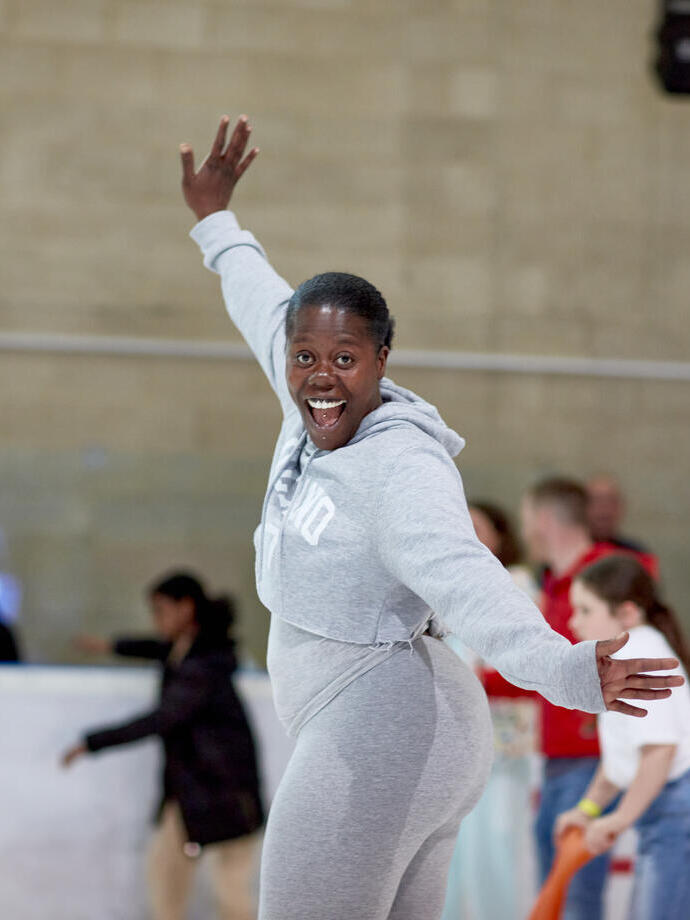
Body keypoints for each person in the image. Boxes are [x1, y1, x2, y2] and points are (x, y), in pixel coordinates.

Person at [179, 114, 681, 920]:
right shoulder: (302, 397)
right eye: (305, 356)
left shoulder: (401, 468)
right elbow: (260, 301)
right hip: (399, 727)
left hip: (384, 727)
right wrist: (216, 222)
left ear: (382, 360)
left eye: (345, 359)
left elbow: (465, 577)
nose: (320, 378)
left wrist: (565, 669)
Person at [62, 571, 264, 920]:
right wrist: (109, 645)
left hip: (226, 792)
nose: (155, 619)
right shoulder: (183, 650)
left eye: (160, 610)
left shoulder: (203, 665)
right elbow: (153, 648)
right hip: (189, 793)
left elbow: (160, 719)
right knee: (164, 877)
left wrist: (91, 743)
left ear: (186, 608)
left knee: (230, 891)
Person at [521, 477, 657, 920]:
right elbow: (541, 670)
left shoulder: (610, 578)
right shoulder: (555, 586)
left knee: (576, 891)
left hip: (593, 756)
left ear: (542, 521)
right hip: (558, 755)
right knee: (555, 889)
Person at [558, 555, 690, 920]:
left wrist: (618, 819)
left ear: (627, 615)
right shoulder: (628, 656)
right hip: (664, 810)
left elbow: (660, 752)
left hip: (675, 810)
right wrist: (588, 809)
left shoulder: (639, 652)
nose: (573, 622)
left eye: (585, 610)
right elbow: (622, 761)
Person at [442, 502, 539, 920]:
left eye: (478, 525)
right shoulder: (445, 584)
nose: (469, 531)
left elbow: (528, 665)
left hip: (502, 740)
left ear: (500, 534)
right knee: (453, 854)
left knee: (495, 852)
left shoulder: (516, 584)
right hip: (452, 742)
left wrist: (471, 676)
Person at [586, 473, 649, 553]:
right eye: (597, 501)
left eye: (611, 501)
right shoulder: (571, 554)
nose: (604, 509)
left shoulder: (636, 554)